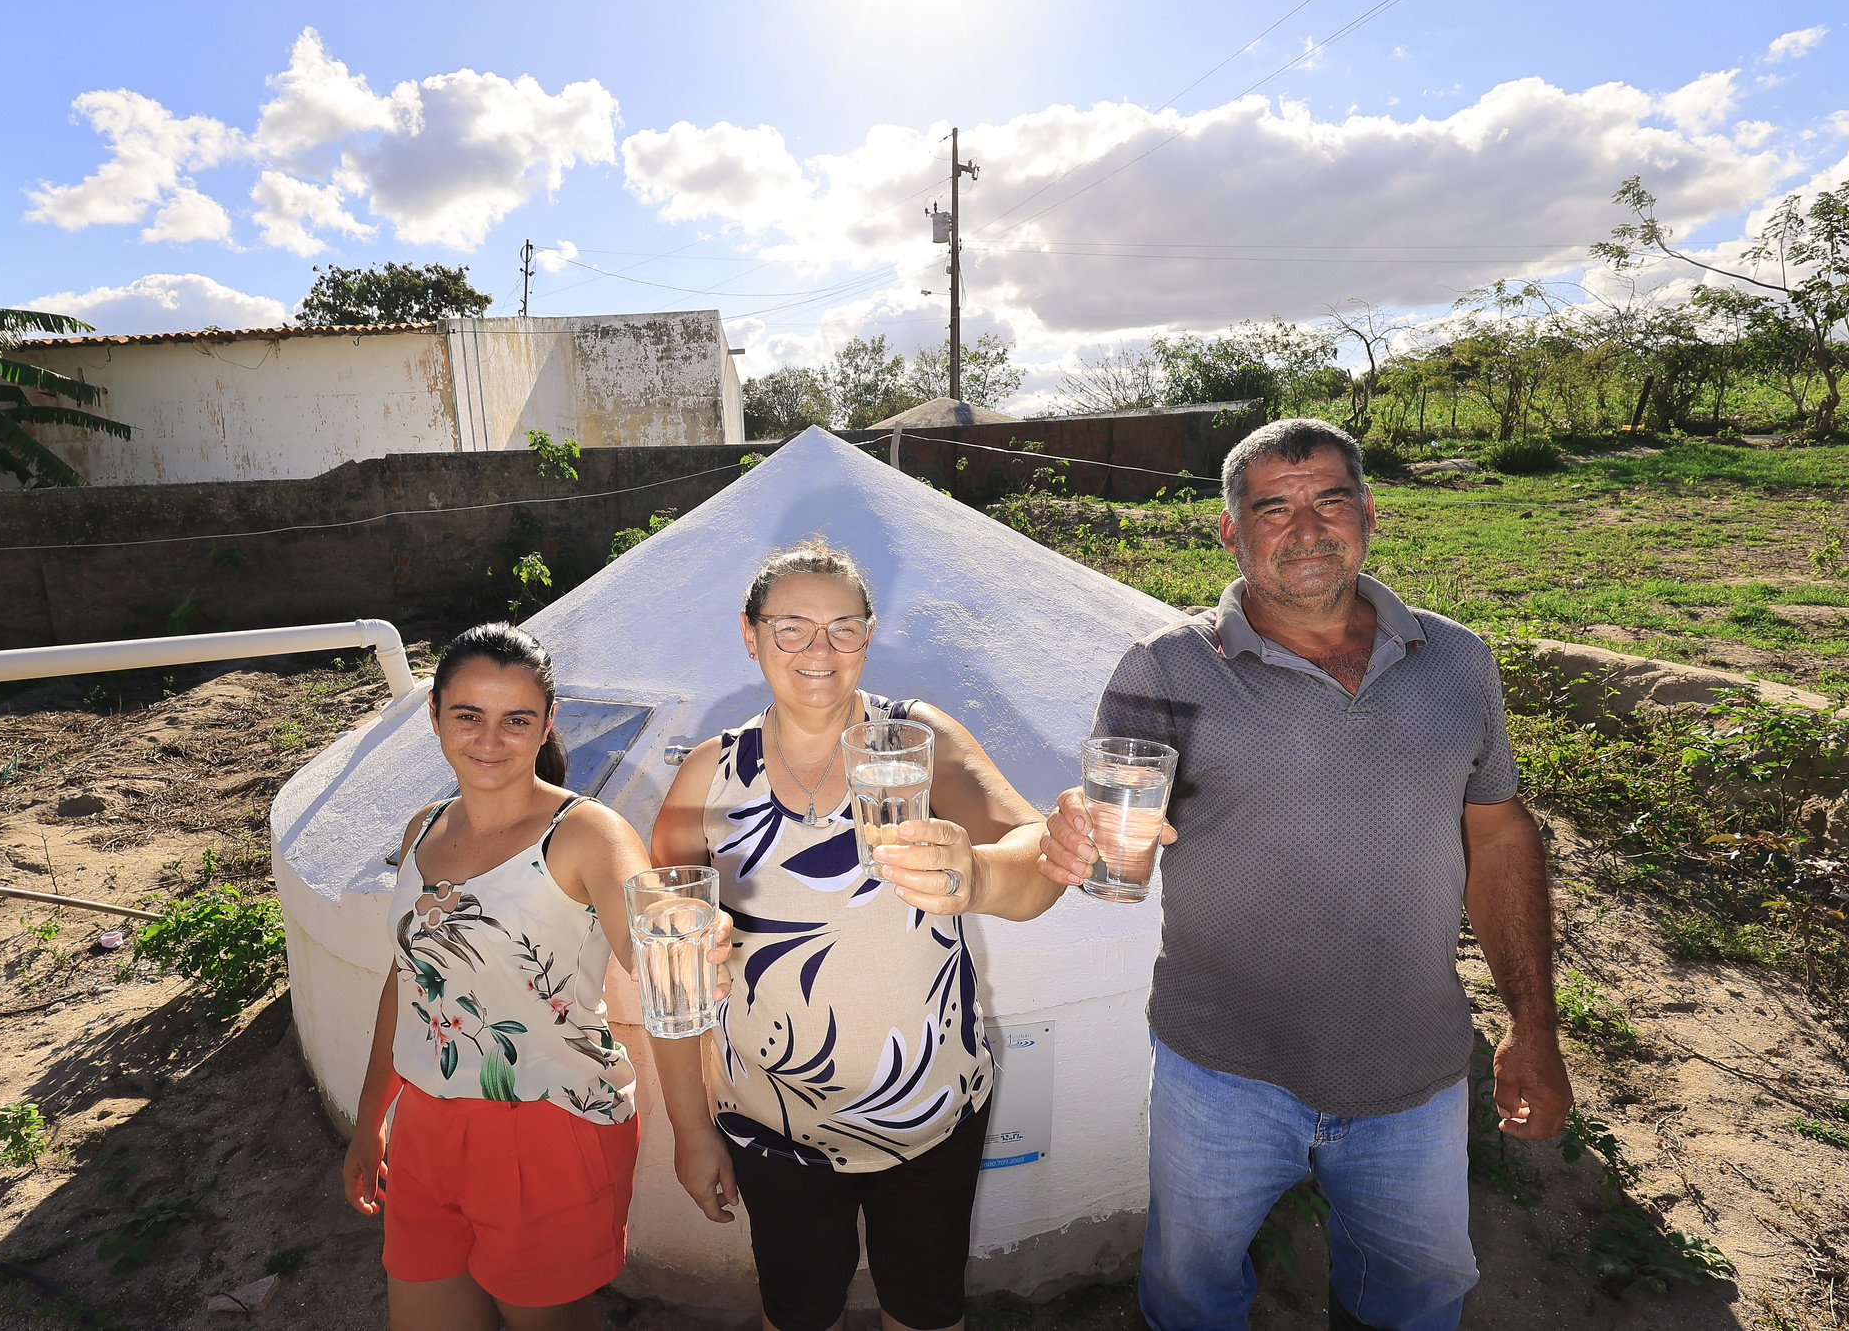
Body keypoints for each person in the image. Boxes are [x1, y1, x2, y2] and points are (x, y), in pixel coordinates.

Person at [1038, 419, 1573, 1331]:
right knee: (1193, 1295)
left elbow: (1501, 839)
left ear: (1369, 512)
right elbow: (1108, 836)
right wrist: (1076, 838)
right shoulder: (1164, 669)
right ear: (1230, 532)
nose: (1307, 527)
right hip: (1223, 1072)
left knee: (1412, 1297)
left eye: (1329, 499)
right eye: (1273, 507)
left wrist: (1535, 1023)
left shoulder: (1457, 659)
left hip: (1415, 1071)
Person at [649, 537, 1066, 1331]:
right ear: (750, 633)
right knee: (798, 1316)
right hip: (773, 1127)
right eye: (792, 627)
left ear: (869, 637)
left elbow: (1036, 856)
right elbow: (669, 968)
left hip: (932, 1113)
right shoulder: (710, 773)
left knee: (926, 1314)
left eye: (843, 628)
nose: (820, 649)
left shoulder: (917, 743)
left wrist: (976, 873)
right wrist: (691, 1128)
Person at [341, 622, 731, 1331]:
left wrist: (692, 1130)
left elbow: (660, 969)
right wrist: (371, 1119)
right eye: (468, 715)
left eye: (516, 719)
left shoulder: (587, 834)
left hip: (548, 1127)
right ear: (434, 716)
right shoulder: (422, 828)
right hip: (426, 1127)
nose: (491, 738)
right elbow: (410, 980)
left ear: (547, 722)